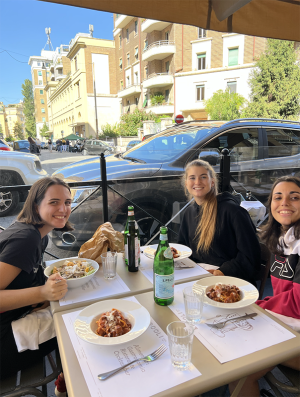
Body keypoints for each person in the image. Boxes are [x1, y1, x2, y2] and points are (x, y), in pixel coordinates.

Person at [229, 176, 300, 397]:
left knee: (240, 371)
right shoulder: (283, 238)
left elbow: (297, 303)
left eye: (294, 197)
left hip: (294, 330)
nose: (285, 203)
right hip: (287, 325)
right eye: (278, 197)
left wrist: (258, 306)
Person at [0, 177, 72, 396]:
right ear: (35, 205)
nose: (63, 209)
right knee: (73, 327)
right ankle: (70, 385)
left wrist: (38, 296)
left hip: (13, 322)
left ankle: (65, 381)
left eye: (68, 202)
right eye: (54, 202)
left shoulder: (38, 235)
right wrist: (41, 292)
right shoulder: (27, 239)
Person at [178, 159, 261, 285]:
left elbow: (251, 255)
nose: (197, 182)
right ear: (186, 183)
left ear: (212, 182)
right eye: (192, 177)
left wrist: (222, 272)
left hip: (231, 281)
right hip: (198, 277)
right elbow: (183, 249)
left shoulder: (233, 211)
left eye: (203, 177)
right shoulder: (189, 212)